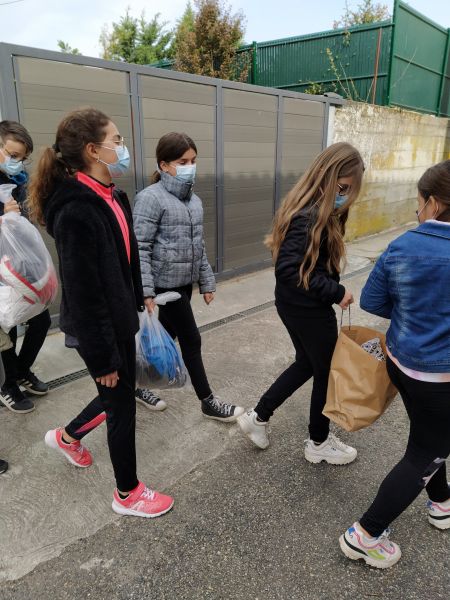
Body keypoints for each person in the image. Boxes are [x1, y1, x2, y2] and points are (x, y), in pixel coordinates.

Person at [28, 108, 174, 518]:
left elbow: (124, 260)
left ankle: (67, 437)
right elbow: (83, 291)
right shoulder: (76, 209)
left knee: (118, 395)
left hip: (119, 319)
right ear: (93, 151)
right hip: (99, 329)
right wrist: (103, 357)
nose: (123, 147)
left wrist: (141, 297)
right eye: (117, 140)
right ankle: (127, 494)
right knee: (121, 406)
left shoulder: (112, 195)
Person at [340, 160, 450, 569]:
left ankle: (441, 502)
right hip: (441, 377)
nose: (416, 210)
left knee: (429, 438)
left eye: (418, 202)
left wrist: (412, 313)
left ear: (434, 203)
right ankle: (365, 534)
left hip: (402, 364)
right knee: (427, 450)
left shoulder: (401, 245)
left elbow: (373, 300)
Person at [237, 142, 364, 464]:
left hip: (295, 305)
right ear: (326, 177)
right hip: (308, 309)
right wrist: (336, 292)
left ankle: (258, 417)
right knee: (326, 372)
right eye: (342, 188)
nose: (345, 196)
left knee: (307, 363)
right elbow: (289, 270)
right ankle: (318, 443)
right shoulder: (309, 216)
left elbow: (305, 267)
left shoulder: (311, 208)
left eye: (349, 190)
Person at [133, 132, 244, 422]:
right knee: (191, 340)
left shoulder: (194, 201)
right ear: (164, 165)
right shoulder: (150, 198)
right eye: (182, 162)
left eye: (193, 161)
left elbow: (199, 245)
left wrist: (206, 282)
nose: (190, 167)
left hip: (184, 285)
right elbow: (139, 248)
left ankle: (136, 383)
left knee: (164, 339)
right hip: (163, 288)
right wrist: (146, 291)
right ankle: (208, 401)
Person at [0, 121, 50, 414]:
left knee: (40, 320)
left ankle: (20, 371)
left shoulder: (18, 181)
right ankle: (7, 386)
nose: (17, 162)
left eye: (22, 158)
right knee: (6, 328)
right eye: (13, 155)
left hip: (20, 269)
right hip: (1, 273)